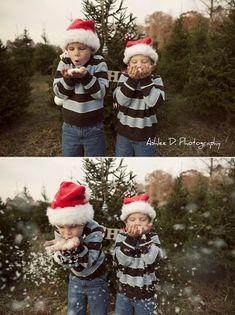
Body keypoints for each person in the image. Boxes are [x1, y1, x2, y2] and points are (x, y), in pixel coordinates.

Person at [45, 181, 108, 315]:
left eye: (72, 226)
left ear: (83, 220)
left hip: (96, 279)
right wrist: (61, 251)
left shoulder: (94, 231)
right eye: (61, 227)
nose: (66, 233)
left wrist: (77, 245)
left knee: (99, 311)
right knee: (74, 311)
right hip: (76, 279)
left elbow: (88, 261)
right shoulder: (60, 227)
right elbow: (64, 262)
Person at [53, 19, 109, 157]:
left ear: (91, 48)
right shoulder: (64, 62)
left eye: (81, 48)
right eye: (71, 49)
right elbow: (59, 93)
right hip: (69, 129)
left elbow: (100, 93)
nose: (76, 53)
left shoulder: (99, 62)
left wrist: (85, 77)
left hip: (94, 128)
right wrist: (68, 79)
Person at [113, 37, 165, 156]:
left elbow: (154, 103)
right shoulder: (124, 78)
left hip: (145, 135)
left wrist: (145, 80)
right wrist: (132, 80)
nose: (139, 65)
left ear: (152, 65)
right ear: (128, 65)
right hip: (124, 134)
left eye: (144, 61)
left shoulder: (156, 80)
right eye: (134, 62)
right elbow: (120, 101)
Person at [113, 194, 161, 315]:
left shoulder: (153, 237)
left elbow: (151, 260)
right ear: (126, 223)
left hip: (145, 293)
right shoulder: (121, 237)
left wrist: (144, 237)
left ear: (150, 222)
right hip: (124, 291)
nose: (137, 223)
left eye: (142, 219)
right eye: (132, 220)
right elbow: (121, 261)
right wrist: (131, 239)